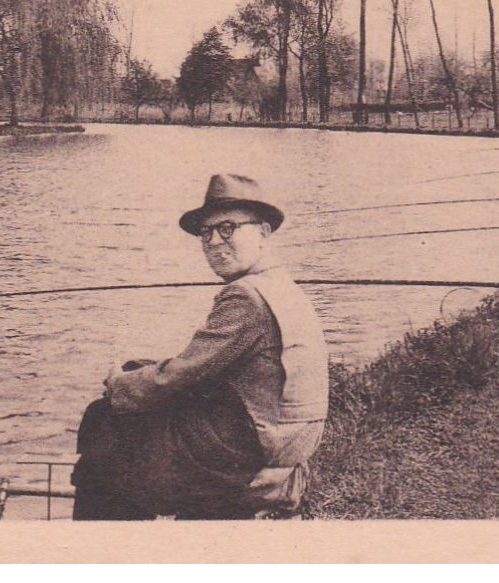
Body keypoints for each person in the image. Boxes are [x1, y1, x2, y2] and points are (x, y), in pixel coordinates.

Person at [71, 174, 329, 520]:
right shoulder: (281, 285)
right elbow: (211, 365)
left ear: (264, 232)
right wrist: (140, 373)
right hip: (287, 436)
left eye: (227, 228)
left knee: (104, 428)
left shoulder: (245, 297)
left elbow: (181, 374)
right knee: (137, 390)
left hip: (252, 444)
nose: (214, 242)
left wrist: (120, 384)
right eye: (205, 233)